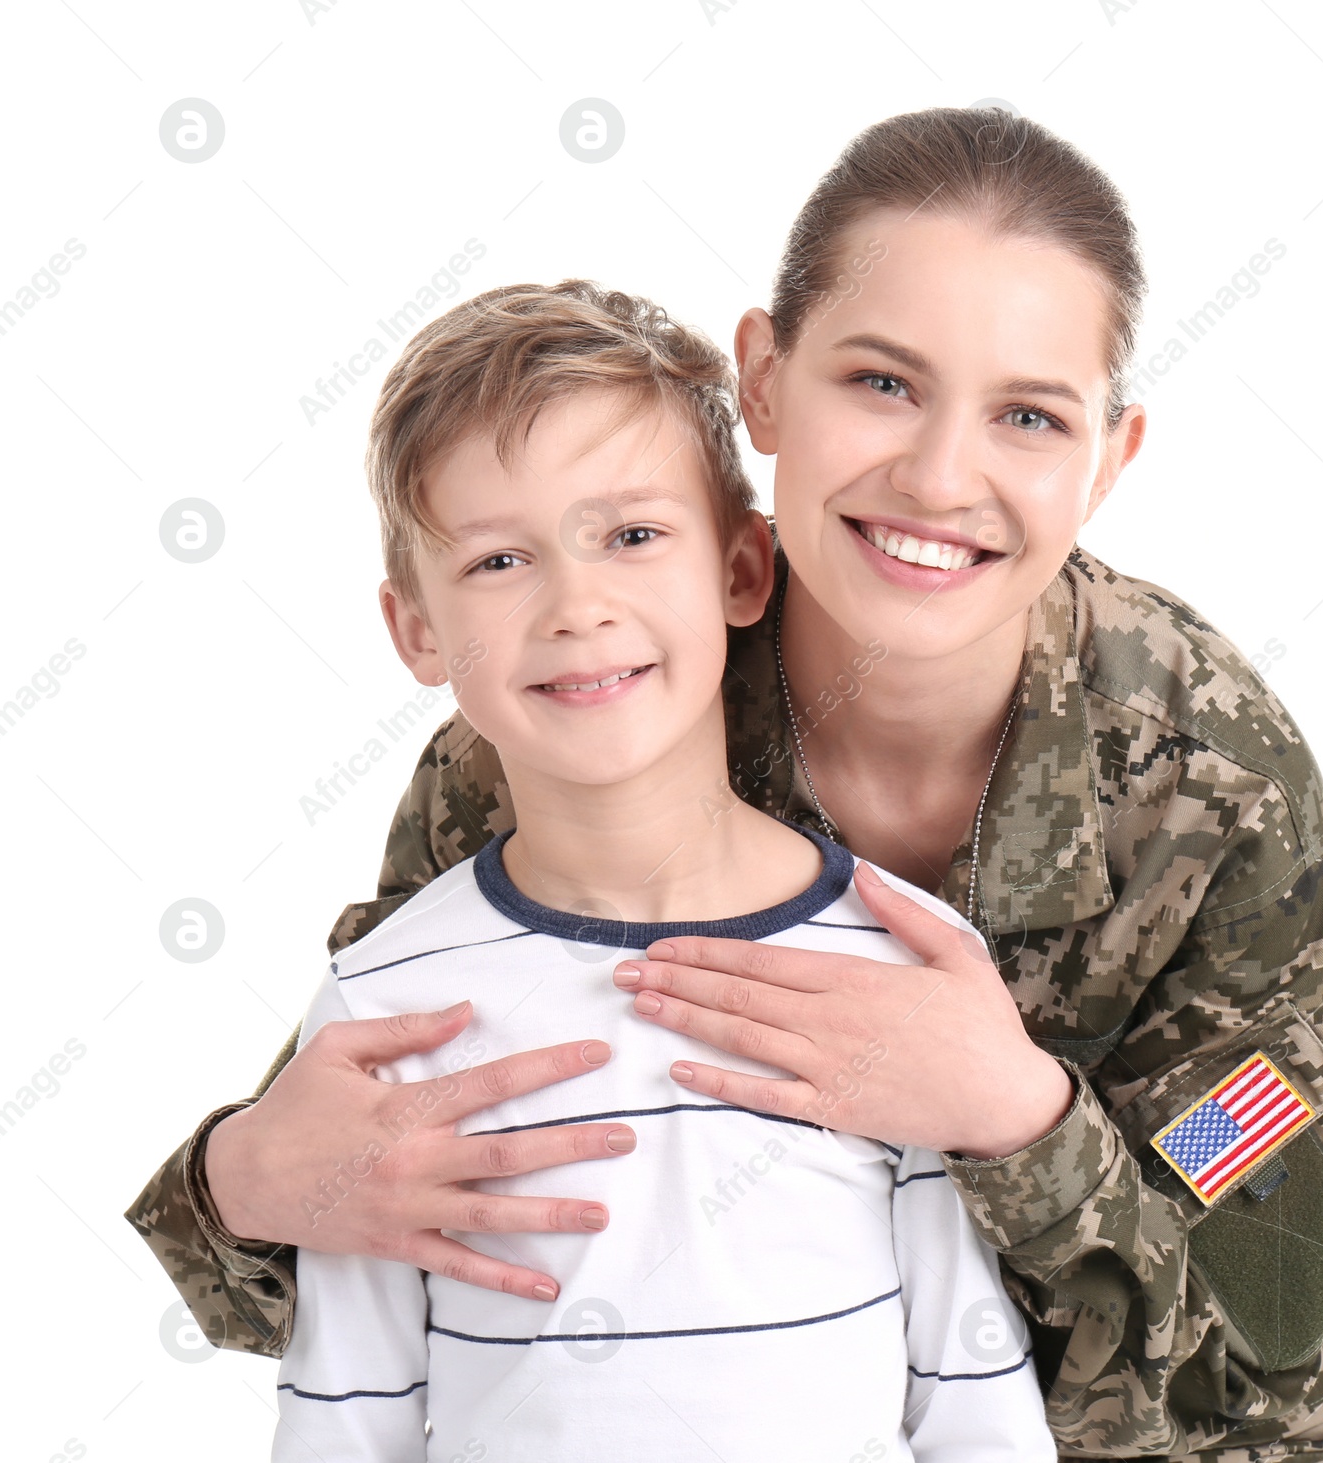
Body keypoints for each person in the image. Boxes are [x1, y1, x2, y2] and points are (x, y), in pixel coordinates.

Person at [127, 108, 1323, 1460]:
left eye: (1030, 415)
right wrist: (240, 1183)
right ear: (762, 380)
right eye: (881, 381)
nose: (937, 475)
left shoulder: (1217, 788)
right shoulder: (583, 708)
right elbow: (367, 1186)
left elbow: (1280, 1312)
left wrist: (1015, 1118)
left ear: (1107, 457)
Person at [271, 278, 1056, 1460]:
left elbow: (972, 1393)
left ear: (743, 569)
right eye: (497, 560)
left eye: (633, 536)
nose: (578, 605)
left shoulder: (899, 964)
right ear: (418, 630)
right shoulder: (384, 1005)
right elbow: (345, 1412)